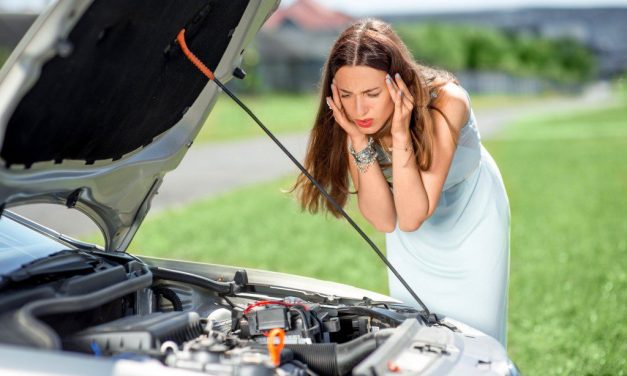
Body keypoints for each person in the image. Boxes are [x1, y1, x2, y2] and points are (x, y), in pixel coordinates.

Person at [293, 18, 510, 346]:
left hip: (472, 220)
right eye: (347, 95)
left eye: (372, 93)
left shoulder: (447, 102)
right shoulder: (354, 121)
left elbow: (411, 216)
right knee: (414, 336)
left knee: (474, 337)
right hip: (412, 225)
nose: (358, 108)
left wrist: (399, 133)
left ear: (398, 82)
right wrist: (358, 139)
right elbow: (386, 219)